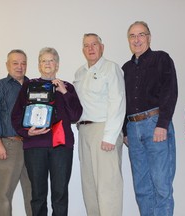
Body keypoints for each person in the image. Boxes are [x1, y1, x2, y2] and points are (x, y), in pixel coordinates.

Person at [11, 47, 82, 216]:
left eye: (51, 61)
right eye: (44, 61)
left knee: (60, 194)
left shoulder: (67, 87)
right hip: (34, 145)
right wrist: (27, 132)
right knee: (37, 195)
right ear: (39, 65)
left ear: (57, 65)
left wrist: (64, 92)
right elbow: (16, 115)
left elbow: (75, 115)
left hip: (61, 146)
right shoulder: (28, 86)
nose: (48, 64)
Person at [122, 21, 178, 216]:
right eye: (132, 36)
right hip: (133, 130)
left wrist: (162, 124)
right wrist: (124, 131)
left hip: (155, 126)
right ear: (128, 40)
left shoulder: (161, 59)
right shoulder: (126, 69)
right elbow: (123, 102)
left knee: (161, 186)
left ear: (149, 37)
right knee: (142, 189)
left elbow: (170, 92)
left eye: (141, 35)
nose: (137, 40)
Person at [73, 33, 126, 216]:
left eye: (94, 44)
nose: (90, 48)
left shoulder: (111, 68)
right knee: (89, 186)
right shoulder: (80, 73)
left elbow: (117, 102)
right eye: (86, 45)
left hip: (103, 130)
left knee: (108, 186)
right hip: (84, 131)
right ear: (83, 50)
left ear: (102, 47)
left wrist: (110, 136)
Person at [0, 49, 32, 216]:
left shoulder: (33, 86)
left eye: (23, 63)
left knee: (32, 193)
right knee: (5, 194)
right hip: (8, 145)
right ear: (7, 65)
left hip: (31, 146)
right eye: (15, 63)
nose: (20, 67)